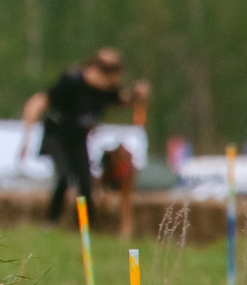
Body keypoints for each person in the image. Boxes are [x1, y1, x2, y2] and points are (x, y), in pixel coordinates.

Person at [17, 48, 152, 227]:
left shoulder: (105, 90)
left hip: (78, 138)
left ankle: (84, 226)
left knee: (86, 181)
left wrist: (137, 95)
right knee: (65, 176)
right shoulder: (71, 81)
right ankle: (50, 222)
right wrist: (26, 136)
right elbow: (40, 100)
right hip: (56, 135)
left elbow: (121, 100)